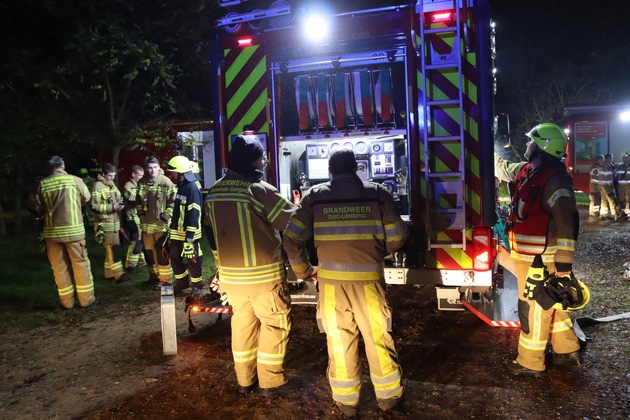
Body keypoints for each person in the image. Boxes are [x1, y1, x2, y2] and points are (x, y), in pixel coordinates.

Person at [284, 149, 408, 417]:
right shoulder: (377, 193)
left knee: (339, 342)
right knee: (378, 338)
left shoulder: (314, 197)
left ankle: (347, 402)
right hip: (369, 284)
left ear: (329, 170)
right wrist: (376, 252)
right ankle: (388, 398)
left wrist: (305, 271)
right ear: (356, 168)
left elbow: (291, 238)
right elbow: (398, 235)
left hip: (330, 288)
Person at [203, 135, 297, 397]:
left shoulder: (215, 191)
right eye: (262, 157)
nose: (264, 161)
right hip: (264, 276)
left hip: (232, 279)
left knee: (242, 325)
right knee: (274, 325)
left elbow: (211, 230)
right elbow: (292, 223)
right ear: (253, 160)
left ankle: (245, 381)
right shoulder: (260, 190)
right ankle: (271, 382)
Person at [494, 123, 582, 374]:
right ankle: (567, 351)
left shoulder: (555, 181)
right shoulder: (528, 171)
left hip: (542, 261)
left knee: (532, 308)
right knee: (553, 302)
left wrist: (564, 265)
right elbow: (502, 168)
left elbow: (567, 222)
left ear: (542, 146)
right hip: (531, 257)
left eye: (531, 141)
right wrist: (484, 149)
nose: (526, 144)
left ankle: (530, 363)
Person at [27, 156, 97, 309]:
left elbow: (34, 207)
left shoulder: (42, 185)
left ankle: (67, 303)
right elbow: (87, 199)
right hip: (75, 232)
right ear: (63, 167)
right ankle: (87, 300)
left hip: (52, 234)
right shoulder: (76, 181)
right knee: (80, 264)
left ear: (50, 168)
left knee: (59, 267)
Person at [136, 156, 176, 286]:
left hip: (160, 227)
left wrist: (165, 218)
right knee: (149, 254)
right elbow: (138, 202)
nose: (152, 170)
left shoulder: (166, 182)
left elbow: (173, 203)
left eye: (154, 167)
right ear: (146, 168)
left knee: (162, 254)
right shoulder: (142, 182)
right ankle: (153, 277)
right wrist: (141, 215)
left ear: (159, 167)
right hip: (146, 227)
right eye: (149, 168)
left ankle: (166, 280)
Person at [166, 156, 203, 294]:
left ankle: (197, 286)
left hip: (190, 233)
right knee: (174, 256)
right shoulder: (182, 186)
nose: (171, 174)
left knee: (193, 259)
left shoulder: (191, 188)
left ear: (180, 172)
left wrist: (190, 238)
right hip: (177, 232)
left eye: (173, 171)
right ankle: (182, 282)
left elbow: (194, 213)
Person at [90, 163, 133, 283]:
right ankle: (119, 274)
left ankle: (109, 274)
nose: (112, 178)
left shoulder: (111, 184)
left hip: (114, 222)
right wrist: (112, 207)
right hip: (104, 223)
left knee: (111, 248)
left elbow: (119, 197)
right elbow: (94, 206)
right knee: (114, 249)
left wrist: (121, 203)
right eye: (110, 176)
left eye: (114, 176)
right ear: (103, 174)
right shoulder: (97, 186)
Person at [122, 165, 147, 271]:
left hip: (138, 216)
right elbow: (132, 199)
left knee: (141, 240)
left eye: (142, 175)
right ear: (133, 175)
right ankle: (130, 265)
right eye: (140, 175)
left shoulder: (138, 185)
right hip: (132, 217)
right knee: (135, 240)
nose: (142, 177)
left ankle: (141, 262)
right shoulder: (128, 186)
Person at [598, 153, 620, 221]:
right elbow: (608, 176)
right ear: (608, 158)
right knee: (612, 200)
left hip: (602, 185)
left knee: (604, 200)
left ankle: (603, 215)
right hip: (607, 185)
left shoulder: (602, 165)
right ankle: (615, 215)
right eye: (611, 158)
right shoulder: (607, 165)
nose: (612, 160)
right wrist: (611, 185)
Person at [615, 151, 630, 219]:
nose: (625, 159)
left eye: (627, 158)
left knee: (628, 199)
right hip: (620, 186)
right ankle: (623, 212)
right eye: (624, 158)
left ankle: (628, 213)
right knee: (622, 199)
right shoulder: (620, 166)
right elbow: (616, 174)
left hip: (628, 186)